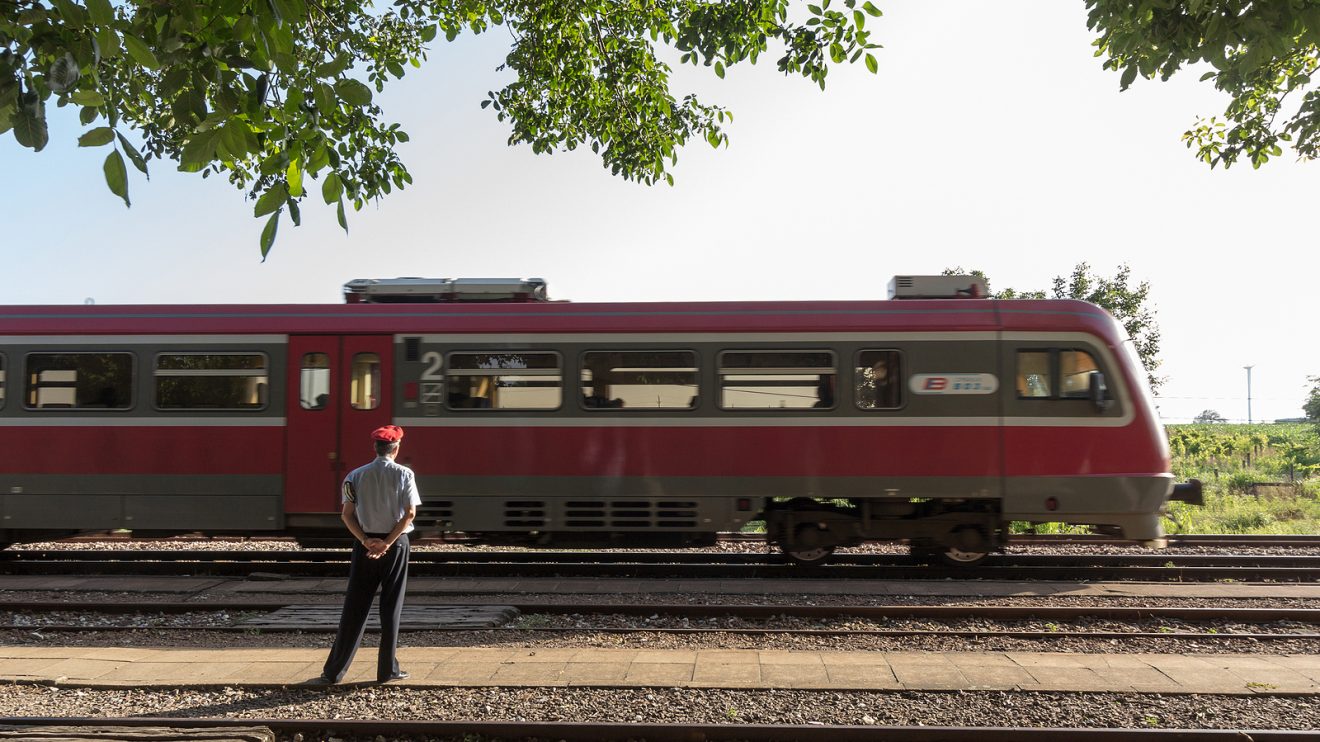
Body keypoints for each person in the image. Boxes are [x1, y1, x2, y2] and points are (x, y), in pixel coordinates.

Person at [313, 424, 421, 684]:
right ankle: (387, 670)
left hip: (364, 548)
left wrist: (365, 541)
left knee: (355, 607)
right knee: (390, 607)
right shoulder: (405, 474)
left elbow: (346, 515)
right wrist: (386, 543)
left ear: (375, 447)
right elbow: (409, 514)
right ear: (396, 448)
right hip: (395, 546)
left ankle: (334, 671)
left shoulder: (354, 476)